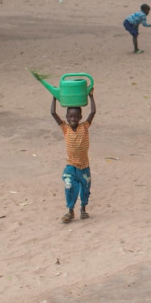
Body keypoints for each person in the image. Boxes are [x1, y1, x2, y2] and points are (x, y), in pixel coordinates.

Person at [51, 89, 96, 224]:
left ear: (80, 118)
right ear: (66, 117)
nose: (73, 119)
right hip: (71, 167)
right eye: (70, 117)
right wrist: (54, 97)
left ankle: (83, 209)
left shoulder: (85, 126)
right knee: (69, 186)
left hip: (84, 167)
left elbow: (93, 112)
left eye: (76, 117)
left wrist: (91, 96)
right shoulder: (65, 128)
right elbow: (53, 113)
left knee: (85, 189)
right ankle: (70, 211)